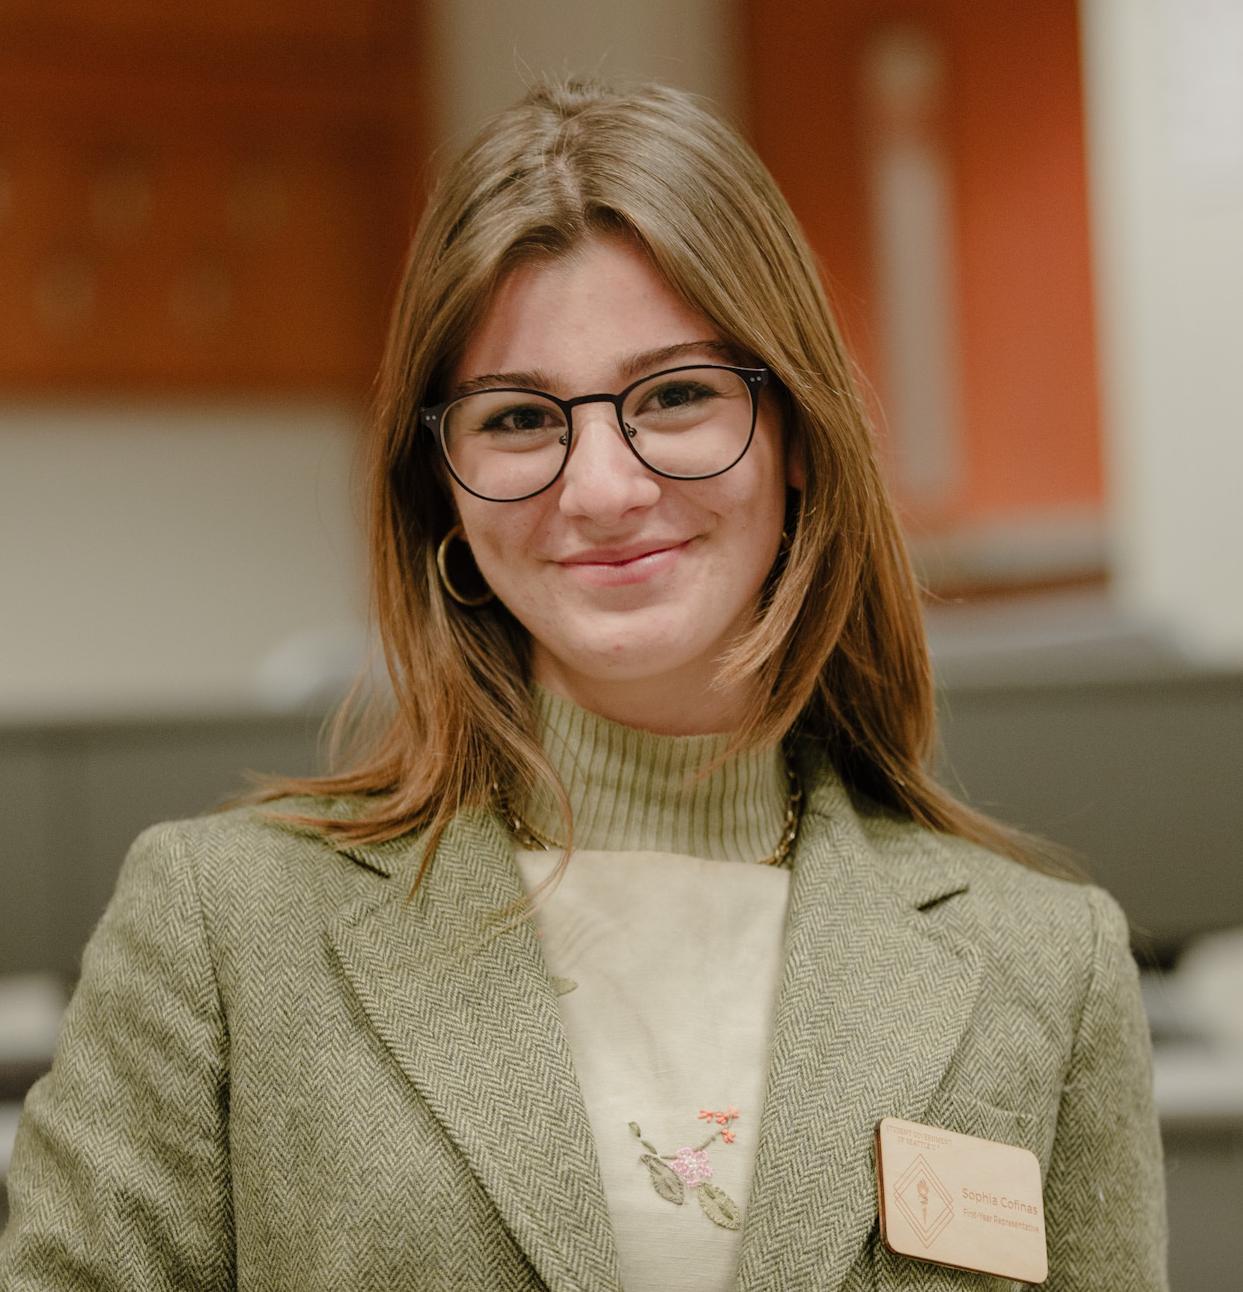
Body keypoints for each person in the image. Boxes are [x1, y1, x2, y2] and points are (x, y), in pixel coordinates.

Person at [0, 77, 1166, 1291]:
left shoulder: (1044, 962)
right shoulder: (221, 928)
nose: (601, 487)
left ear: (800, 438)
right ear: (439, 487)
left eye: (674, 396)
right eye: (517, 418)